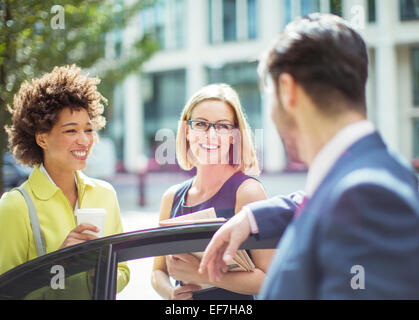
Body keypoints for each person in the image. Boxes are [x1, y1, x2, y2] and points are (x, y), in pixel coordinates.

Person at [199, 14, 419, 299]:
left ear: (288, 90)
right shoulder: (371, 177)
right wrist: (251, 217)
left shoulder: (365, 195)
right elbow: (323, 204)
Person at [0, 65, 130, 297]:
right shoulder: (15, 206)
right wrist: (60, 264)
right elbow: (7, 291)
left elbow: (122, 273)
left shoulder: (105, 194)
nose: (84, 141)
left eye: (88, 130)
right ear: (42, 138)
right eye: (71, 131)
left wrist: (96, 268)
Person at [151, 84, 275, 300]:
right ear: (187, 131)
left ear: (234, 135)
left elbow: (269, 277)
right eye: (201, 124)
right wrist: (171, 293)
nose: (211, 134)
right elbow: (157, 272)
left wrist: (206, 275)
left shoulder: (247, 192)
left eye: (222, 126)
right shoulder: (172, 197)